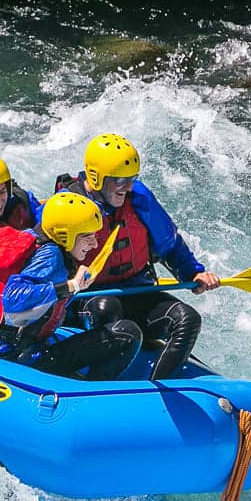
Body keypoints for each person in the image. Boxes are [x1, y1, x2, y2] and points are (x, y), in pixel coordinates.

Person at [56, 133, 220, 380]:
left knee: (188, 319)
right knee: (106, 309)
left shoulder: (139, 198)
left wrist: (193, 272)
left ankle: (157, 392)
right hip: (86, 299)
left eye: (132, 178)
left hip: (136, 291)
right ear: (96, 177)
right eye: (121, 179)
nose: (129, 186)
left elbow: (170, 244)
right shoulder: (69, 206)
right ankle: (96, 387)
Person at [0, 192, 142, 379]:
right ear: (66, 234)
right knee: (127, 333)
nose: (94, 244)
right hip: (21, 356)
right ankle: (90, 394)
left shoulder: (33, 237)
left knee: (107, 309)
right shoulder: (51, 256)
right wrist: (70, 285)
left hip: (1, 343)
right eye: (87, 236)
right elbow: (12, 297)